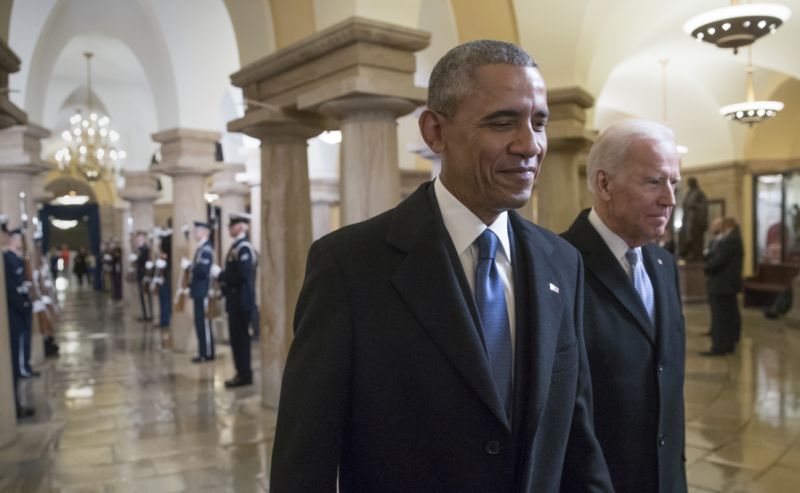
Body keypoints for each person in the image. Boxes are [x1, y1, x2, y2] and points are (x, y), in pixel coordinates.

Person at [270, 40, 612, 492]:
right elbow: (303, 463)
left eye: (539, 122)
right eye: (502, 122)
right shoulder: (349, 266)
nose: (530, 145)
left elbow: (575, 439)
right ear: (435, 132)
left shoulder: (562, 262)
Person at [562, 119, 686, 492]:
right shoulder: (558, 264)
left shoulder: (663, 266)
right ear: (604, 184)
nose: (670, 199)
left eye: (673, 183)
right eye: (653, 181)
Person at [2, 222, 36, 418]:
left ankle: (15, 405)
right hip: (14, 313)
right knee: (15, 356)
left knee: (19, 352)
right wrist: (23, 304)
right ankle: (12, 407)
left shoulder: (13, 258)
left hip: (19, 309)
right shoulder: (6, 259)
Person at [219, 212, 257, 388]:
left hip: (242, 301)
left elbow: (242, 275)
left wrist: (220, 275)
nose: (229, 228)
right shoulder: (237, 247)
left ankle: (244, 374)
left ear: (242, 227)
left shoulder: (244, 248)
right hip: (235, 300)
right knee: (236, 339)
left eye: (233, 225)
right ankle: (241, 371)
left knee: (241, 339)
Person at [703, 217, 743, 355]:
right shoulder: (732, 238)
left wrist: (706, 268)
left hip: (723, 283)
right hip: (724, 283)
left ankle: (719, 346)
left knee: (721, 316)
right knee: (725, 315)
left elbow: (720, 260)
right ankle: (726, 344)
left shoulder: (731, 239)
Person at [185, 221, 214, 363]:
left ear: (204, 232)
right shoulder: (201, 248)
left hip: (203, 291)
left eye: (197, 231)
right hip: (198, 291)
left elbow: (203, 270)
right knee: (200, 323)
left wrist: (191, 267)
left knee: (204, 324)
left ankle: (206, 353)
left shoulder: (206, 249)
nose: (195, 234)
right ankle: (203, 352)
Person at [678, 177, 708, 260]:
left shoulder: (699, 193)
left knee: (695, 238)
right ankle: (687, 252)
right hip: (687, 219)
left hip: (695, 220)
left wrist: (695, 205)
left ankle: (695, 255)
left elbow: (704, 205)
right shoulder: (688, 193)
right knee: (686, 237)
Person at [152, 228, 172, 328]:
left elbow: (167, 256)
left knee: (165, 298)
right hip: (161, 275)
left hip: (166, 275)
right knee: (162, 298)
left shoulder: (167, 240)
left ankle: (165, 321)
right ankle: (163, 320)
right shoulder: (164, 241)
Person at [134, 231, 153, 321]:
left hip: (144, 274)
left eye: (141, 238)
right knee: (142, 295)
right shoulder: (140, 249)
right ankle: (145, 314)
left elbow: (142, 262)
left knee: (146, 294)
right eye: (138, 238)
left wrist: (136, 259)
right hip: (140, 274)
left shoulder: (144, 249)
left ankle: (148, 315)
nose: (139, 239)